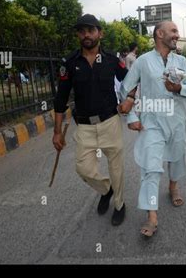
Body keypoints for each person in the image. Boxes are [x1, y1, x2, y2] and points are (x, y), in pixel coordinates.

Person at [52, 14, 134, 226]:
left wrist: (131, 98)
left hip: (110, 122)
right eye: (81, 31)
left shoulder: (112, 60)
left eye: (90, 30)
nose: (86, 34)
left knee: (116, 168)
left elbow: (131, 79)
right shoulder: (69, 63)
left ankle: (119, 204)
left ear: (100, 33)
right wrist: (57, 132)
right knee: (84, 169)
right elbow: (60, 99)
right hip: (85, 127)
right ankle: (106, 190)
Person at [118, 21, 186, 237]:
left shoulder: (181, 60)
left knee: (177, 157)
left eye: (177, 31)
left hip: (177, 120)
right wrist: (132, 116)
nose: (177, 35)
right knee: (150, 168)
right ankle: (152, 215)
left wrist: (179, 87)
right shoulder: (143, 61)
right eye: (173, 31)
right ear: (159, 34)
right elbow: (127, 88)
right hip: (151, 123)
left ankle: (173, 186)